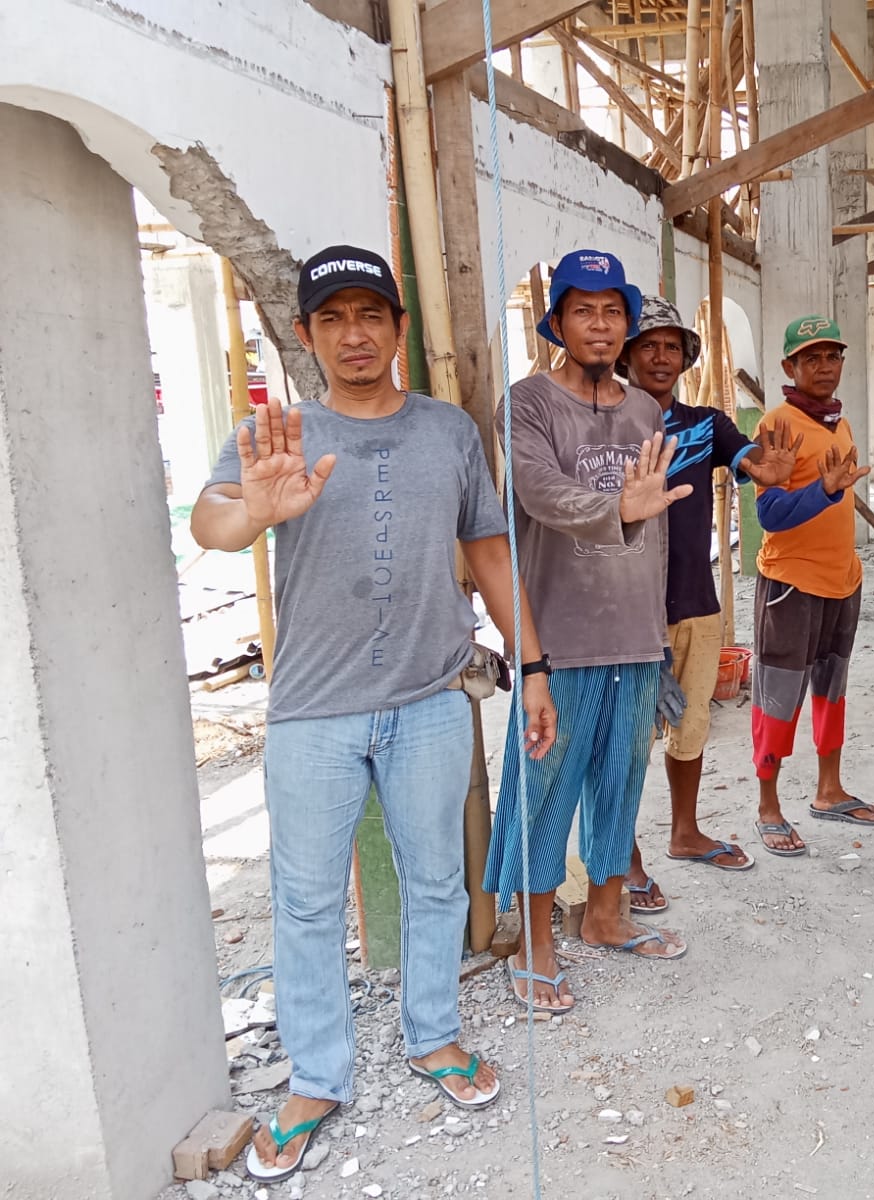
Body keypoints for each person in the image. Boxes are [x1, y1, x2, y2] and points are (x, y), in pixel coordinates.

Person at [192, 245, 556, 1183]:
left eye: (369, 315)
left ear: (398, 328)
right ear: (306, 335)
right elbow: (212, 522)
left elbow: (488, 548)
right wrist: (255, 511)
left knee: (437, 882)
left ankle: (433, 1035)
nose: (352, 335)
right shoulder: (276, 432)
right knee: (307, 900)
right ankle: (316, 1078)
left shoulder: (448, 431)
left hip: (430, 698)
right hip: (313, 711)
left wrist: (534, 664)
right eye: (332, 319)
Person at [484, 250, 692, 1016]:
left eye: (612, 311)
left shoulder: (646, 413)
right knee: (543, 793)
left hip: (633, 639)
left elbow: (657, 533)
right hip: (561, 641)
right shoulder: (528, 403)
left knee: (620, 784)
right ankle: (535, 943)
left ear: (626, 324)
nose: (599, 325)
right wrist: (616, 510)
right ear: (558, 322)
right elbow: (539, 492)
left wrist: (658, 640)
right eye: (583, 310)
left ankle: (605, 914)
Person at [616, 296, 798, 908]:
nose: (660, 356)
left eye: (672, 346)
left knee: (690, 727)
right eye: (648, 346)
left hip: (697, 601)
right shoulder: (608, 427)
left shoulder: (706, 423)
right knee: (627, 741)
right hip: (626, 612)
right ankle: (624, 855)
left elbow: (748, 456)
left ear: (685, 358)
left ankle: (685, 832)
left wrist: (765, 467)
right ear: (626, 357)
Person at [748, 315, 874, 855]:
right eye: (811, 358)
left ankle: (830, 790)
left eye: (832, 356)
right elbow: (770, 514)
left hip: (842, 582)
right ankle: (768, 806)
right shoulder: (776, 425)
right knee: (778, 699)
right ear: (790, 367)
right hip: (791, 586)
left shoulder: (837, 423)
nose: (824, 367)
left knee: (831, 691)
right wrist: (823, 492)